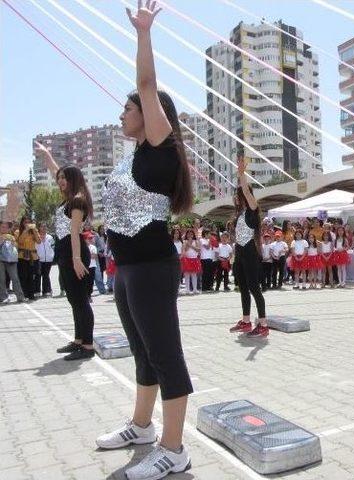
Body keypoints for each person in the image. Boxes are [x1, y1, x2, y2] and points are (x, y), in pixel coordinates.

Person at [96, 4, 194, 477]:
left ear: (152, 116)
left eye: (128, 107)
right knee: (142, 351)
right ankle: (142, 425)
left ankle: (175, 450)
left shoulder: (161, 146)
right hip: (126, 268)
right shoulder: (133, 155)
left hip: (153, 267)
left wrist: (143, 34)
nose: (122, 112)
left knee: (164, 353)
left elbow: (149, 85)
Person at [53, 164, 95, 360]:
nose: (61, 181)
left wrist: (76, 259)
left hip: (74, 254)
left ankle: (87, 346)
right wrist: (46, 156)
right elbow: (58, 169)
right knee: (74, 300)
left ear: (74, 179)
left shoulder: (77, 201)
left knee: (81, 301)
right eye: (59, 177)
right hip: (65, 253)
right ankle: (78, 340)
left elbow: (74, 232)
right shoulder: (69, 200)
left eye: (64, 177)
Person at [228, 157, 269, 337]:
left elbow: (245, 189)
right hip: (240, 252)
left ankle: (263, 324)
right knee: (243, 288)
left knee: (254, 288)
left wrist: (241, 174)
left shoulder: (253, 208)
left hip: (250, 253)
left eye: (239, 195)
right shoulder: (240, 213)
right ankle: (246, 322)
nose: (237, 197)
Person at [16, 216, 41, 301]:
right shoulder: (18, 231)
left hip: (32, 256)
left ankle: (31, 294)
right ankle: (24, 294)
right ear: (22, 223)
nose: (27, 224)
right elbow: (20, 241)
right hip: (22, 256)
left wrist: (34, 230)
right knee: (23, 276)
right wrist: (25, 230)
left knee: (32, 275)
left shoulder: (34, 231)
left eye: (28, 222)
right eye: (25, 222)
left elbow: (39, 241)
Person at [0, 222, 26, 304]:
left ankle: (20, 297)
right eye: (2, 227)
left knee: (15, 278)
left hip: (11, 260)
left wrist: (13, 243)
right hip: (0, 259)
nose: (4, 229)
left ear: (8, 229)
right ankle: (4, 297)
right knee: (1, 279)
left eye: (6, 227)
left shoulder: (11, 237)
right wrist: (1, 241)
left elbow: (16, 248)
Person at [35, 223, 55, 297]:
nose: (43, 228)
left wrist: (52, 255)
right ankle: (37, 291)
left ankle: (46, 291)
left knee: (46, 275)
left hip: (48, 259)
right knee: (38, 275)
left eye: (45, 226)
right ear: (39, 227)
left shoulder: (50, 237)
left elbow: (53, 247)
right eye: (42, 226)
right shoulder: (36, 236)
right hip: (38, 259)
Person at [181, 228, 201, 295]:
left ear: (193, 235)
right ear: (186, 235)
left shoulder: (196, 241)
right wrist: (187, 244)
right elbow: (184, 250)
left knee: (194, 275)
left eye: (191, 234)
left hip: (194, 259)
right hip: (187, 259)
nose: (190, 235)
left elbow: (198, 250)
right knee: (187, 275)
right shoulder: (184, 241)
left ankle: (195, 289)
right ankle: (187, 290)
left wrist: (190, 245)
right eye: (188, 234)